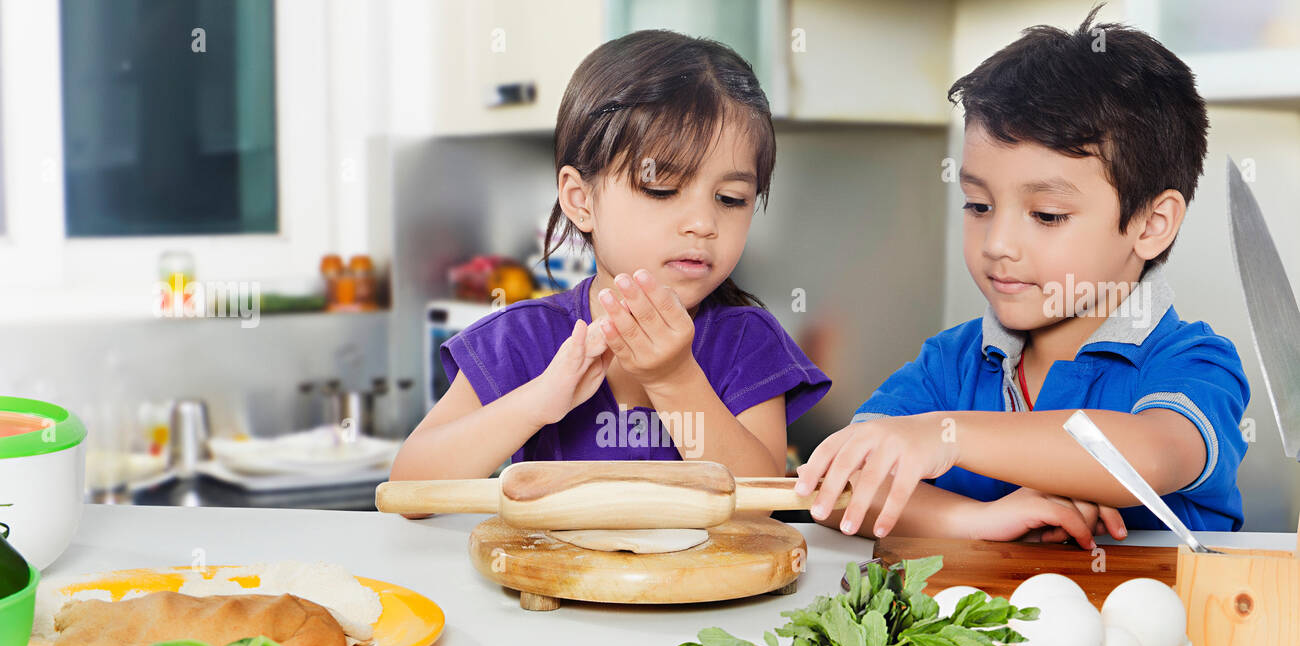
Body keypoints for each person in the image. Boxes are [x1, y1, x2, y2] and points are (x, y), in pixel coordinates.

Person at [795, 7, 1249, 549]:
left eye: (1047, 215)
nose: (997, 244)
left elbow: (1150, 455)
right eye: (978, 204)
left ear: (1151, 225)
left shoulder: (1192, 360)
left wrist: (947, 435)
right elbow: (838, 488)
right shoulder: (949, 365)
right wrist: (975, 520)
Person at [391, 30, 829, 495]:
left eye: (731, 198)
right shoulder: (523, 339)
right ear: (581, 201)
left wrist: (675, 380)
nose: (704, 223)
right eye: (662, 189)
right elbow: (409, 487)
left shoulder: (747, 342)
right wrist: (537, 402)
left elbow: (760, 498)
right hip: (554, 570)